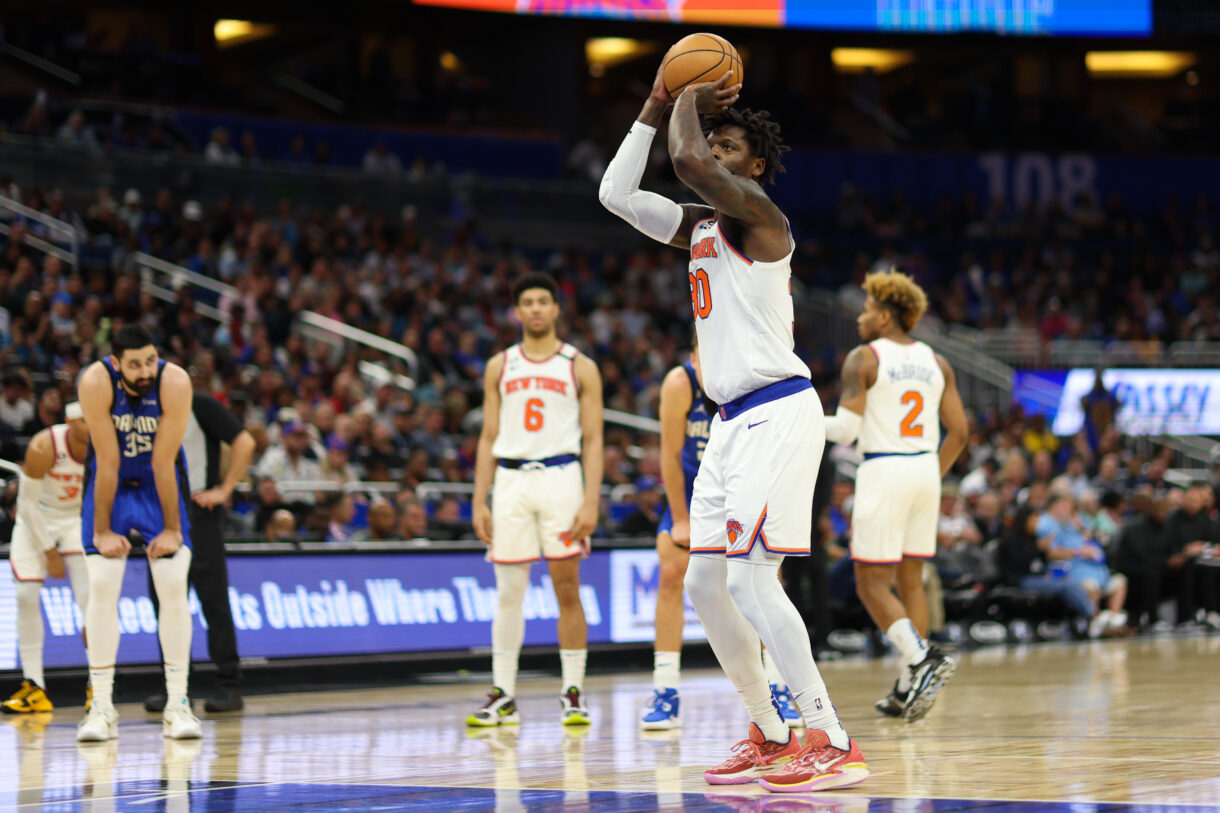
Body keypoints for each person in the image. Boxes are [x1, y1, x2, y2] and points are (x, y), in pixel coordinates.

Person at [600, 64, 866, 793]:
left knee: (752, 581)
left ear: (754, 166)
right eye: (711, 141)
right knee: (709, 585)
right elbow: (615, 194)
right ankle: (772, 731)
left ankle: (831, 735)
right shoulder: (701, 228)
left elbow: (684, 161)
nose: (713, 151)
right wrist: (652, 106)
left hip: (778, 409)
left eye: (729, 145)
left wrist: (684, 94)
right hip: (725, 422)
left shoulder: (762, 219)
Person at [821, 271, 968, 722]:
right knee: (912, 580)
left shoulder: (864, 357)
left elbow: (845, 430)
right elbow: (960, 433)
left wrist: (795, 419)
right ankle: (908, 687)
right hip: (926, 469)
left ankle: (922, 659)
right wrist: (926, 473)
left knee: (870, 583)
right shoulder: (937, 362)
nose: (861, 317)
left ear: (885, 316)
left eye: (866, 310)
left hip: (885, 467)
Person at [639, 338, 800, 731]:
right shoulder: (682, 383)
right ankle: (665, 688)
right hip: (696, 493)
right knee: (672, 575)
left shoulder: (750, 378)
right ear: (695, 354)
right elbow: (669, 456)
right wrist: (679, 517)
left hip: (744, 490)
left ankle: (779, 685)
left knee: (768, 581)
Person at [468, 273, 604, 728]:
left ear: (556, 308)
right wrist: (479, 500)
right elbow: (488, 436)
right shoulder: (500, 365)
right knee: (509, 592)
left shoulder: (578, 365)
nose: (536, 309)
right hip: (510, 481)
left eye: (543, 300)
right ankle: (503, 693)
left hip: (562, 477)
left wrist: (590, 501)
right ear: (517, 311)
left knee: (567, 588)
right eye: (527, 301)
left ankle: (573, 690)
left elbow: (595, 440)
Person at [75, 324, 202, 742]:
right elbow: (106, 463)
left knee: (172, 584)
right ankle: (102, 708)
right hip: (110, 487)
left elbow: (164, 463)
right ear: (116, 363)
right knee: (101, 583)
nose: (145, 370)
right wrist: (102, 531)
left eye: (150, 359)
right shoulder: (95, 381)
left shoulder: (175, 381)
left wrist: (170, 528)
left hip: (157, 487)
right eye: (135, 364)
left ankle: (178, 705)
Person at [144, 393, 256, 714]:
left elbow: (244, 441)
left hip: (198, 512)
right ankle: (176, 688)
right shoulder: (141, 410)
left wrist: (225, 488)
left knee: (213, 601)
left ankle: (229, 684)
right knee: (165, 604)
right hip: (159, 513)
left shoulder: (200, 406)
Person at [2, 402, 90, 714]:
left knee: (90, 603)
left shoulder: (106, 445)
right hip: (35, 519)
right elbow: (25, 505)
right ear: (69, 421)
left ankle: (98, 686)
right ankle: (34, 686)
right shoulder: (44, 445)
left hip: (76, 520)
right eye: (83, 420)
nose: (90, 425)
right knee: (26, 595)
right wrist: (49, 551)